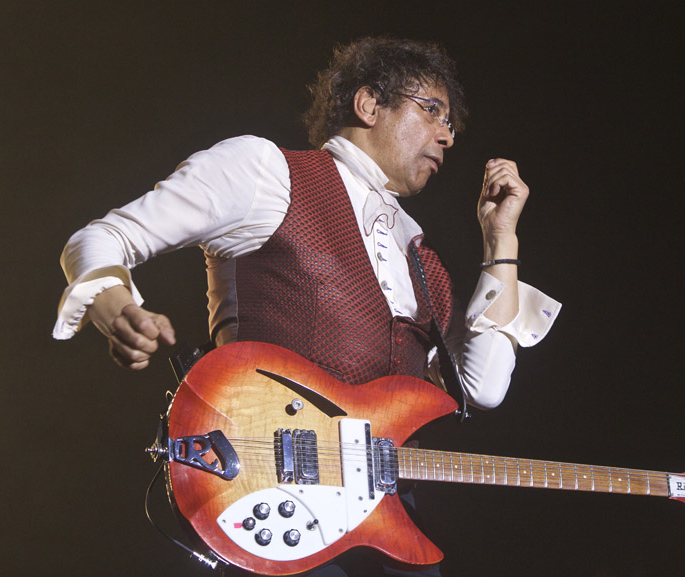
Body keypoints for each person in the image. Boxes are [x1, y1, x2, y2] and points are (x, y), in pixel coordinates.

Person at [54, 36, 559, 575]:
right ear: (369, 105)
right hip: (272, 496)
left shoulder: (422, 254)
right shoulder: (266, 171)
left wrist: (501, 242)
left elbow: (482, 387)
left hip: (385, 517)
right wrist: (111, 302)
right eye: (432, 111)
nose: (447, 135)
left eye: (453, 124)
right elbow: (105, 236)